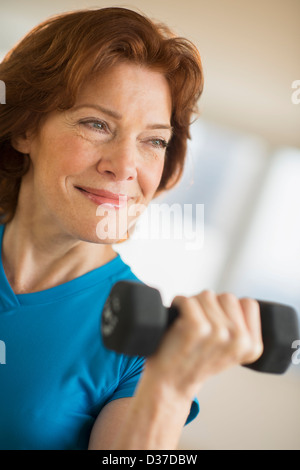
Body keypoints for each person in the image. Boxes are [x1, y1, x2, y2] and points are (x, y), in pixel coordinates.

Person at [0, 7, 263, 450]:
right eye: (96, 124)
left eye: (153, 141)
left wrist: (171, 389)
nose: (125, 166)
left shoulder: (144, 347)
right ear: (26, 129)